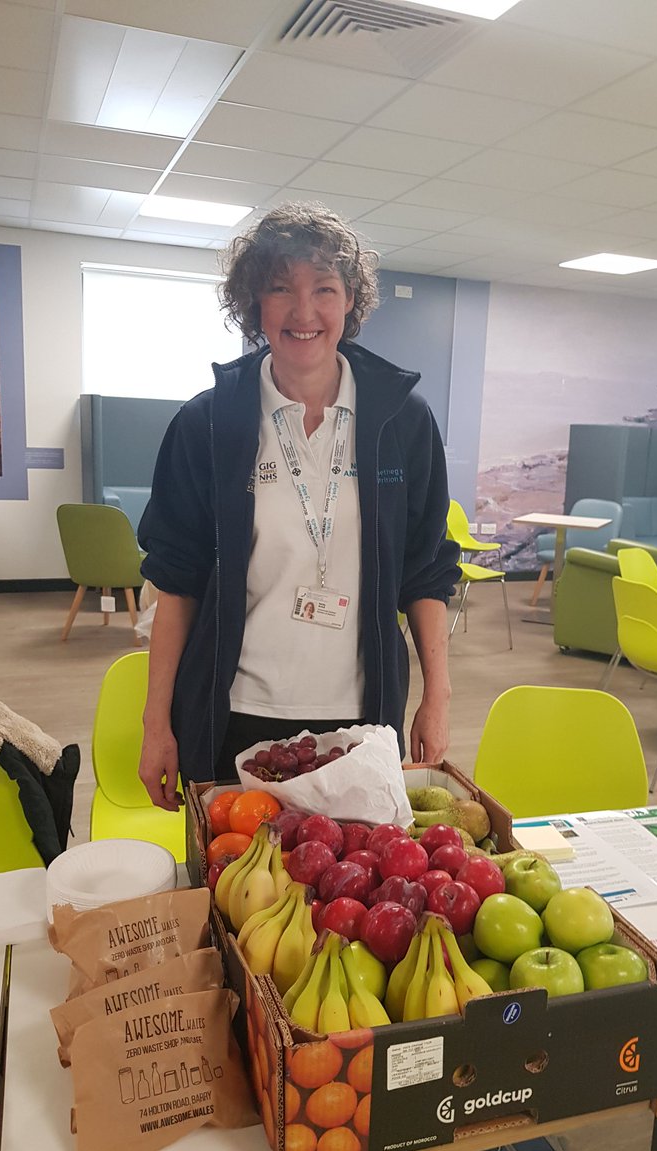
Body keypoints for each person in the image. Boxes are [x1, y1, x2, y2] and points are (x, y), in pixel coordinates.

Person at [137, 203, 461, 809]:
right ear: (253, 303)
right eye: (280, 289)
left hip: (361, 716)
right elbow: (174, 583)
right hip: (234, 710)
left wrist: (436, 697)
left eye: (325, 289)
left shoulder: (402, 422)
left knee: (351, 890)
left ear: (351, 303)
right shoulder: (207, 423)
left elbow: (427, 569)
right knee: (238, 893)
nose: (303, 311)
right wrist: (158, 722)